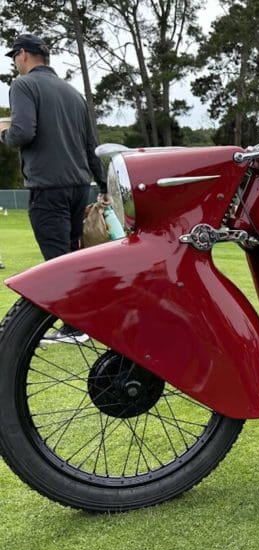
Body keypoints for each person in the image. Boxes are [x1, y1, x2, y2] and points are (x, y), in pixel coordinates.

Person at [0, 33, 108, 343]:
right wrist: (101, 184)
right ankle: (83, 322)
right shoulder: (73, 93)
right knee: (71, 257)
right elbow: (91, 146)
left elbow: (21, 132)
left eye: (13, 57)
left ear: (23, 54)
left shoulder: (23, 85)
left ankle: (74, 328)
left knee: (57, 262)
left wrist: (4, 133)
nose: (14, 63)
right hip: (79, 187)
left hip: (48, 188)